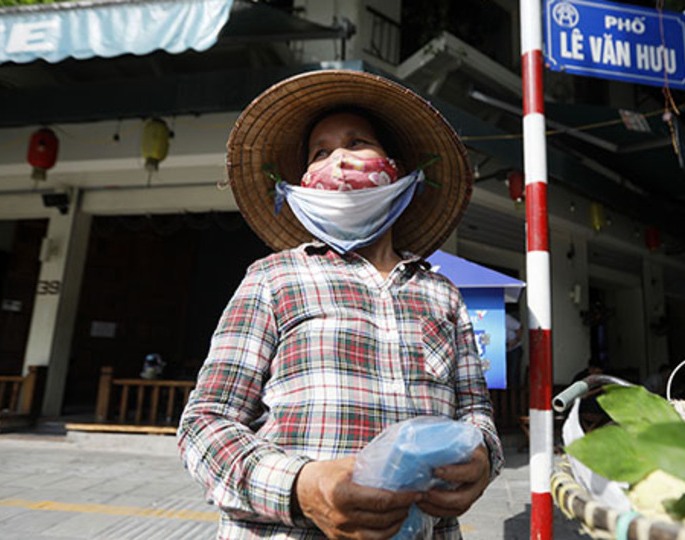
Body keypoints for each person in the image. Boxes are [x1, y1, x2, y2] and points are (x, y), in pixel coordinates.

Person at [178, 70, 503, 540]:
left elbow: (475, 412)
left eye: (357, 143)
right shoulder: (274, 278)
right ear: (303, 183)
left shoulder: (442, 293)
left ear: (396, 169)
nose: (340, 160)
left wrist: (484, 457)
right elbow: (205, 423)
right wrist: (301, 487)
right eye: (320, 153)